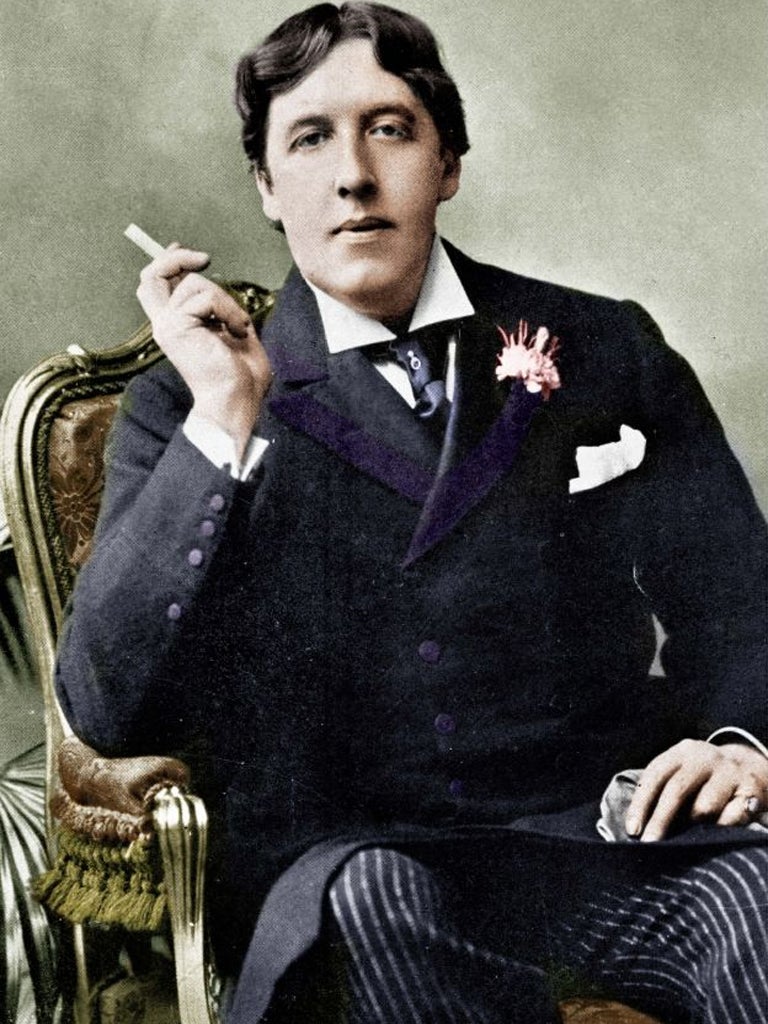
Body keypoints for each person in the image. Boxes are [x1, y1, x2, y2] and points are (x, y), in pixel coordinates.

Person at [55, 3, 768, 1022]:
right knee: (375, 906)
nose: (353, 175)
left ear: (449, 162)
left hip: (609, 839)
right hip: (365, 862)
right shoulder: (190, 404)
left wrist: (743, 742)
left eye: (389, 129)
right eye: (310, 138)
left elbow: (740, 598)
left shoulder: (605, 343)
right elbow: (105, 706)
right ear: (267, 187)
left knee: (761, 901)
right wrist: (223, 419)